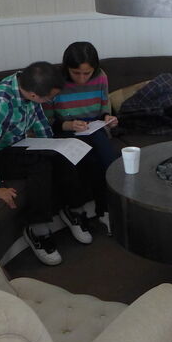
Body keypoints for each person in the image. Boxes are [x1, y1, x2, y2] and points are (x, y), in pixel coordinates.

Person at [0, 61, 93, 266]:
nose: (52, 100)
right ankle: (37, 230)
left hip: (16, 142)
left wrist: (55, 147)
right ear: (34, 95)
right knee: (39, 165)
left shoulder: (27, 86)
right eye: (50, 97)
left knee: (64, 154)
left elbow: (39, 120)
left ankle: (74, 210)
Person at [44, 41, 119, 231]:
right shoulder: (54, 83)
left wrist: (108, 118)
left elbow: (103, 109)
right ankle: (79, 213)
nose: (82, 78)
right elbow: (46, 121)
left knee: (110, 161)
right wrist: (66, 124)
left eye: (87, 73)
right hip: (66, 130)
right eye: (76, 73)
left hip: (93, 126)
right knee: (89, 160)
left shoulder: (101, 77)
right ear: (66, 68)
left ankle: (106, 210)